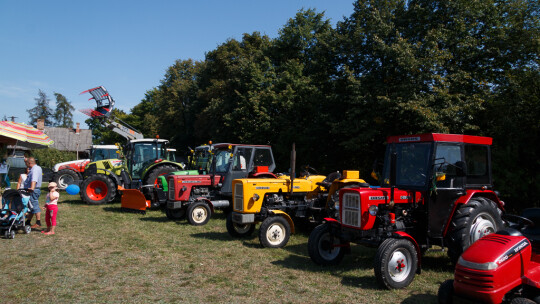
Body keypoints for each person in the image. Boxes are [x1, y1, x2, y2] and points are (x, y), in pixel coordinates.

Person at [24, 157, 43, 229]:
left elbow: (34, 179)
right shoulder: (38, 168)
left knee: (34, 205)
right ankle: (28, 221)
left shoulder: (34, 169)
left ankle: (38, 222)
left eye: (26, 163)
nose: (26, 165)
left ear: (29, 163)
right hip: (35, 189)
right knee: (31, 206)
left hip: (33, 190)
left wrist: (32, 188)